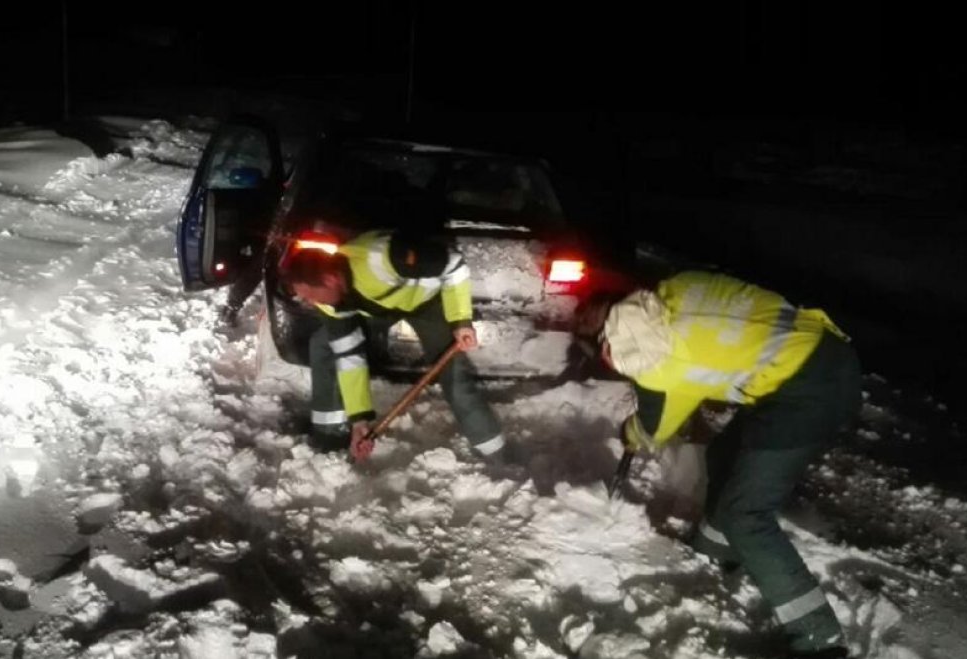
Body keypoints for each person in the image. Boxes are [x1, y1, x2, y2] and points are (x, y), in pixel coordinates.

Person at [574, 270, 860, 658]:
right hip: (816, 355)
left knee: (748, 514)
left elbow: (657, 424)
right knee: (723, 453)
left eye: (605, 359)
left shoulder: (647, 351)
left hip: (807, 392)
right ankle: (713, 550)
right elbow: (691, 376)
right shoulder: (671, 291)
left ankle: (820, 640)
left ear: (609, 343)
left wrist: (632, 431)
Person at [279, 228, 504, 463]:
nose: (309, 303)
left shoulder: (382, 259)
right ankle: (331, 438)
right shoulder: (329, 302)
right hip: (382, 308)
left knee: (454, 374)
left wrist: (461, 320)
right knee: (325, 345)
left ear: (330, 279)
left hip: (428, 303)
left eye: (310, 295)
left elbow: (454, 265)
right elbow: (349, 356)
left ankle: (495, 452)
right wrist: (359, 420)